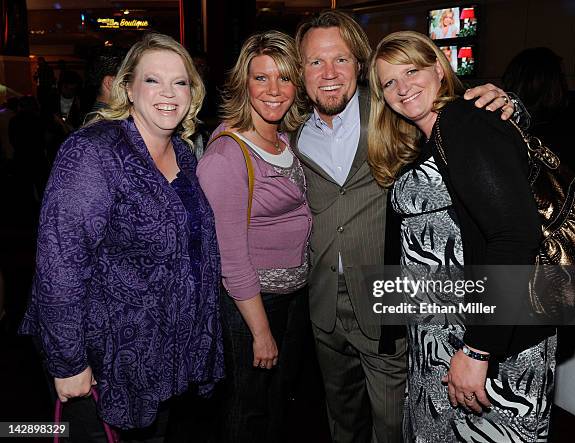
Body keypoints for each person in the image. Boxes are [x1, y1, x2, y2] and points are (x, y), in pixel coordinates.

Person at [291, 9, 519, 443]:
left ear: (359, 63)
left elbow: (451, 112)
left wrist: (504, 102)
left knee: (394, 423)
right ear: (300, 71)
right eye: (315, 62)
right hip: (322, 302)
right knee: (341, 419)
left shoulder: (392, 110)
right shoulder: (293, 131)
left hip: (387, 299)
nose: (328, 73)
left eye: (340, 59)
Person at [19, 32, 224, 440]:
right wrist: (69, 362)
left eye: (180, 82)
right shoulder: (93, 153)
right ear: (126, 88)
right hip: (101, 362)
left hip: (157, 360)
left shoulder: (181, 151)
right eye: (153, 80)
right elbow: (59, 263)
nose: (168, 92)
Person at [368, 30, 557, 442]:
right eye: (388, 82)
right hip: (443, 342)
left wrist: (478, 350)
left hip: (484, 340)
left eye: (412, 71)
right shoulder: (430, 137)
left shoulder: (464, 122)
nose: (402, 88)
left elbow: (514, 237)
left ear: (439, 68)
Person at [197, 31, 311, 443]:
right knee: (248, 410)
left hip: (293, 299)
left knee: (278, 402)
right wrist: (260, 332)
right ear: (243, 83)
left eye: (284, 78)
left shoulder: (282, 138)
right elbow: (231, 256)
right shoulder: (226, 156)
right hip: (252, 306)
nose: (274, 90)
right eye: (261, 78)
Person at [502, 47, 575, 218]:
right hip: (553, 234)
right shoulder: (569, 132)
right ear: (556, 85)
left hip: (511, 226)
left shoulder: (501, 127)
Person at [83, 47, 127, 124]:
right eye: (127, 79)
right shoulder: (105, 124)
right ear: (110, 82)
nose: (132, 85)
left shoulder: (97, 118)